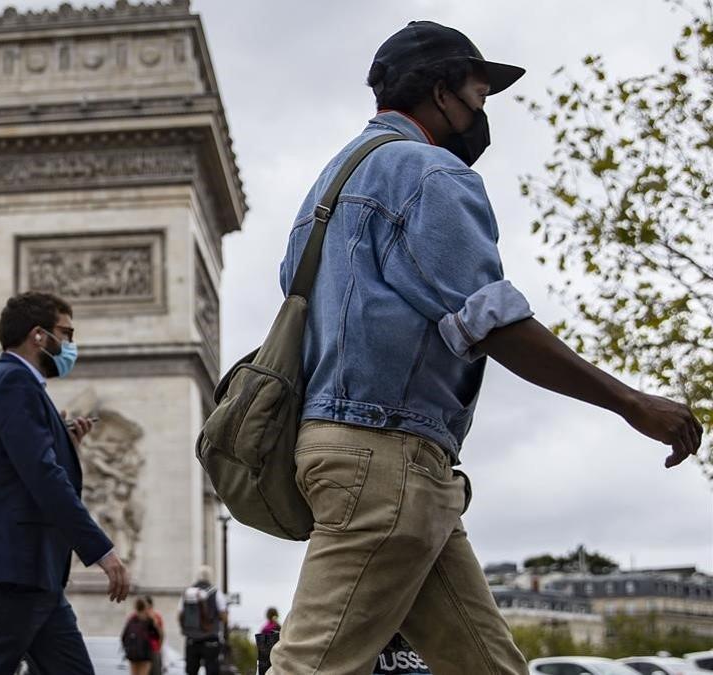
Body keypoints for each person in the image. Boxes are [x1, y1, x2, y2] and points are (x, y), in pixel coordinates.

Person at [269, 20, 703, 675]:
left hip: (363, 453)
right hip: (388, 459)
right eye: (479, 95)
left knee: (489, 667)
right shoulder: (426, 170)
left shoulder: (324, 192)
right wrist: (630, 401)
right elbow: (491, 321)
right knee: (310, 668)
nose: (482, 113)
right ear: (442, 93)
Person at [0, 292, 130, 675]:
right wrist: (101, 550)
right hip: (11, 571)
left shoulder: (13, 384)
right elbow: (42, 477)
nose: (71, 345)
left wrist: (67, 445)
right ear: (38, 335)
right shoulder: (15, 382)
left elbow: (24, 470)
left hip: (33, 572)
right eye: (66, 333)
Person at [178, 566, 227, 675]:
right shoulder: (216, 593)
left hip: (191, 639)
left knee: (191, 671)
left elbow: (180, 615)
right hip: (211, 639)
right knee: (212, 670)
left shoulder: (187, 593)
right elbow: (224, 616)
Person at [122, 598, 161, 675]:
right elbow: (157, 636)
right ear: (145, 607)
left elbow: (123, 637)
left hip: (132, 654)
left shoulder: (131, 620)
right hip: (145, 654)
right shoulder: (149, 620)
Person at [144, 596, 165, 675]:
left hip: (153, 650)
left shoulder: (156, 617)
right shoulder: (135, 617)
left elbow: (162, 635)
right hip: (140, 652)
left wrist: (158, 649)